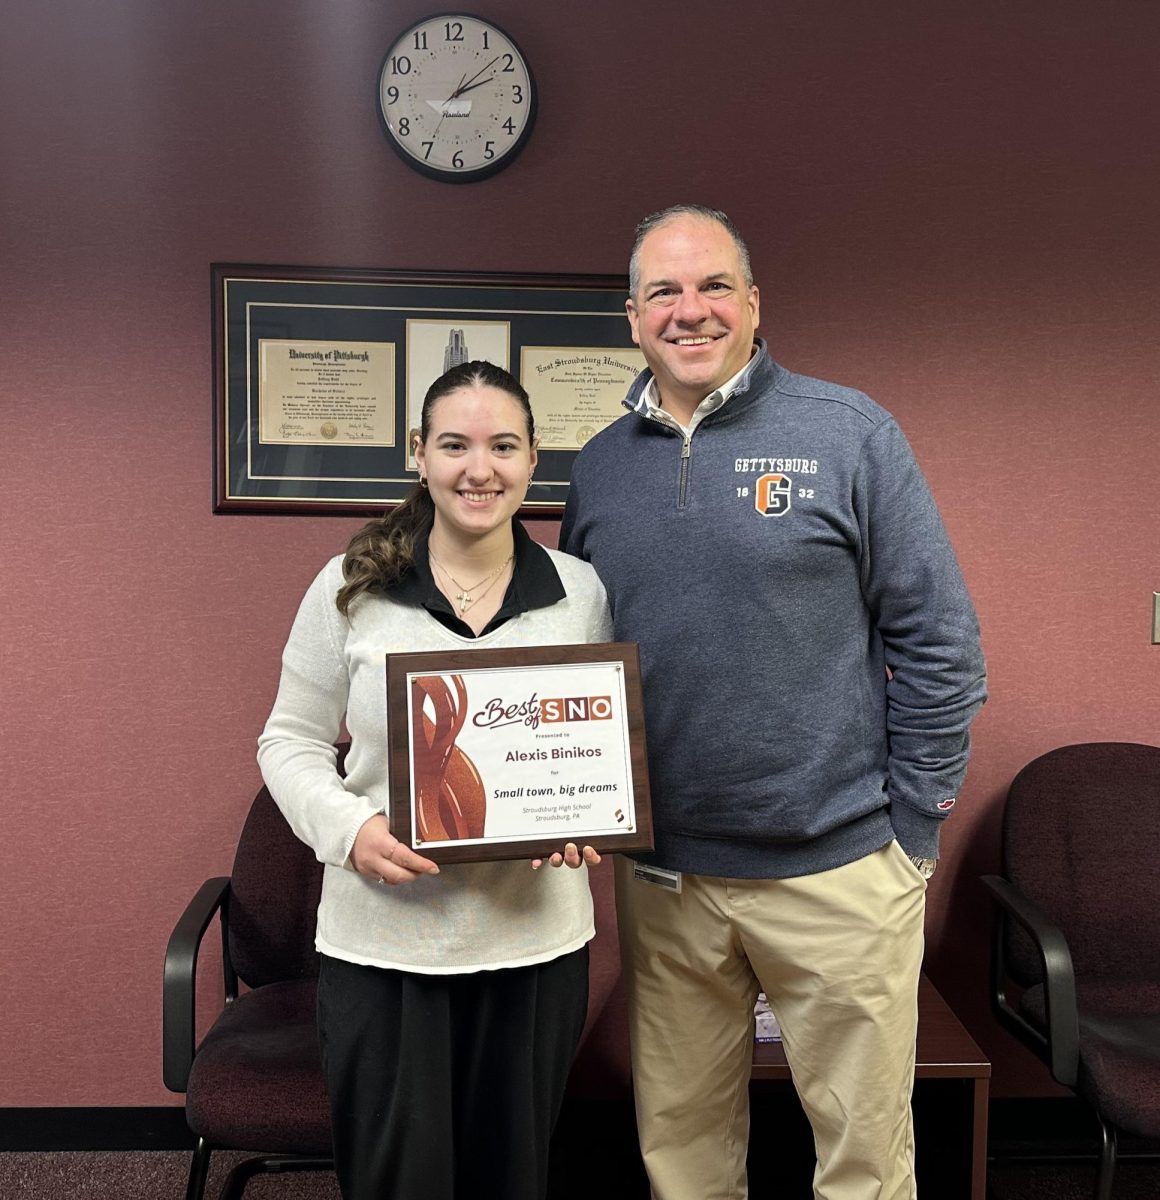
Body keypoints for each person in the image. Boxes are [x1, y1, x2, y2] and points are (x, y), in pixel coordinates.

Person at [560, 205, 987, 1200]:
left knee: (863, 1160)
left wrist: (910, 834)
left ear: (753, 305)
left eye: (713, 286)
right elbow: (578, 653)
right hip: (664, 881)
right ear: (631, 318)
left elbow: (940, 644)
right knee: (683, 1152)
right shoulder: (599, 466)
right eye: (662, 291)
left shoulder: (847, 433)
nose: (689, 309)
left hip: (836, 868)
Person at [258, 360, 612, 1200]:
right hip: (385, 951)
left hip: (535, 949)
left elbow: (593, 747)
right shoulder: (350, 589)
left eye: (502, 446)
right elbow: (289, 742)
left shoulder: (580, 592)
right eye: (453, 445)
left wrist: (586, 812)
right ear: (418, 453)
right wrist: (349, 832)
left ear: (533, 460)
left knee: (511, 1179)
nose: (477, 469)